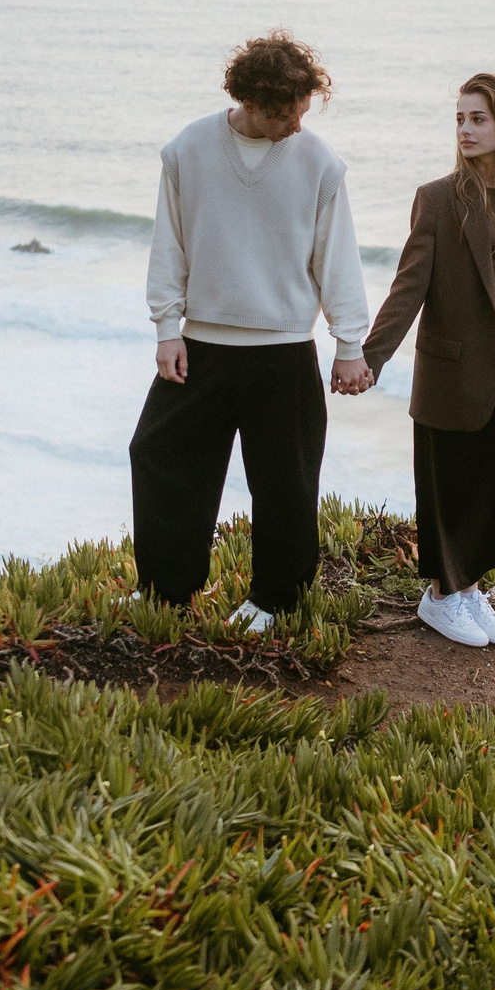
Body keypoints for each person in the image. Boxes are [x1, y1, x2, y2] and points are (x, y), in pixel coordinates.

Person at [130, 32, 374, 633]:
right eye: (283, 111)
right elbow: (171, 246)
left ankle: (274, 601)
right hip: (203, 347)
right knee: (159, 457)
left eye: (302, 110)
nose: (295, 123)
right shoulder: (187, 149)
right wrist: (168, 329)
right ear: (249, 98)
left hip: (284, 350)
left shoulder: (319, 162)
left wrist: (350, 344)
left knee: (285, 482)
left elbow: (336, 258)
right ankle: (165, 592)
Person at [362, 72, 495, 648]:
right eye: (460, 119)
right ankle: (441, 597)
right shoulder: (439, 198)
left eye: (479, 119)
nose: (466, 130)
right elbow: (409, 285)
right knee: (450, 482)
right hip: (451, 368)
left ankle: (467, 588)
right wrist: (370, 357)